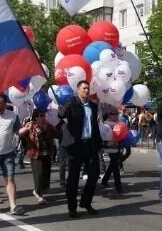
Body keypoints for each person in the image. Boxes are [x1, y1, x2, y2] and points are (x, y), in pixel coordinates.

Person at [57, 81, 102, 217]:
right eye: (84, 88)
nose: (86, 91)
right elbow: (61, 115)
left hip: (90, 144)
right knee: (73, 178)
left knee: (95, 173)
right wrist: (62, 109)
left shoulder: (93, 106)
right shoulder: (72, 103)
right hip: (75, 145)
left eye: (88, 89)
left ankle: (86, 202)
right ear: (78, 91)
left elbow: (94, 126)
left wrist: (99, 145)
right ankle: (72, 207)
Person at [19, 108, 57, 203]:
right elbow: (20, 134)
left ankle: (40, 190)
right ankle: (38, 193)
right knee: (38, 174)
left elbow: (57, 133)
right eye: (40, 115)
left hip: (47, 153)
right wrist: (26, 129)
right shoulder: (31, 125)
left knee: (46, 174)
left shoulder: (48, 125)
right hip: (35, 153)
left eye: (43, 115)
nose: (43, 117)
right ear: (35, 117)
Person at [100, 112, 123, 193]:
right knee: (115, 165)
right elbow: (104, 136)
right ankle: (118, 186)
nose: (116, 115)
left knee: (113, 164)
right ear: (109, 115)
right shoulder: (106, 124)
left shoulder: (117, 123)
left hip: (117, 146)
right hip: (110, 147)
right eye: (114, 114)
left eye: (117, 113)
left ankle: (104, 180)